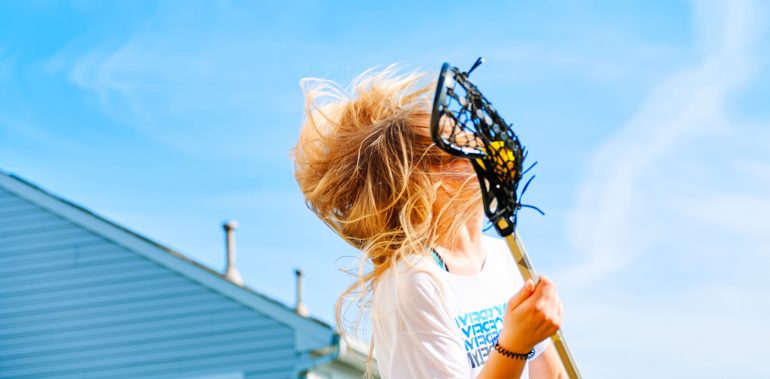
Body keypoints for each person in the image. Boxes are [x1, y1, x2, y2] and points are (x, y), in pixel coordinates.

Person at [292, 66, 567, 378]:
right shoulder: (413, 283)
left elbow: (549, 374)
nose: (481, 147)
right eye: (458, 146)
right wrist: (513, 346)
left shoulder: (502, 256)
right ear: (429, 181)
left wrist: (541, 328)